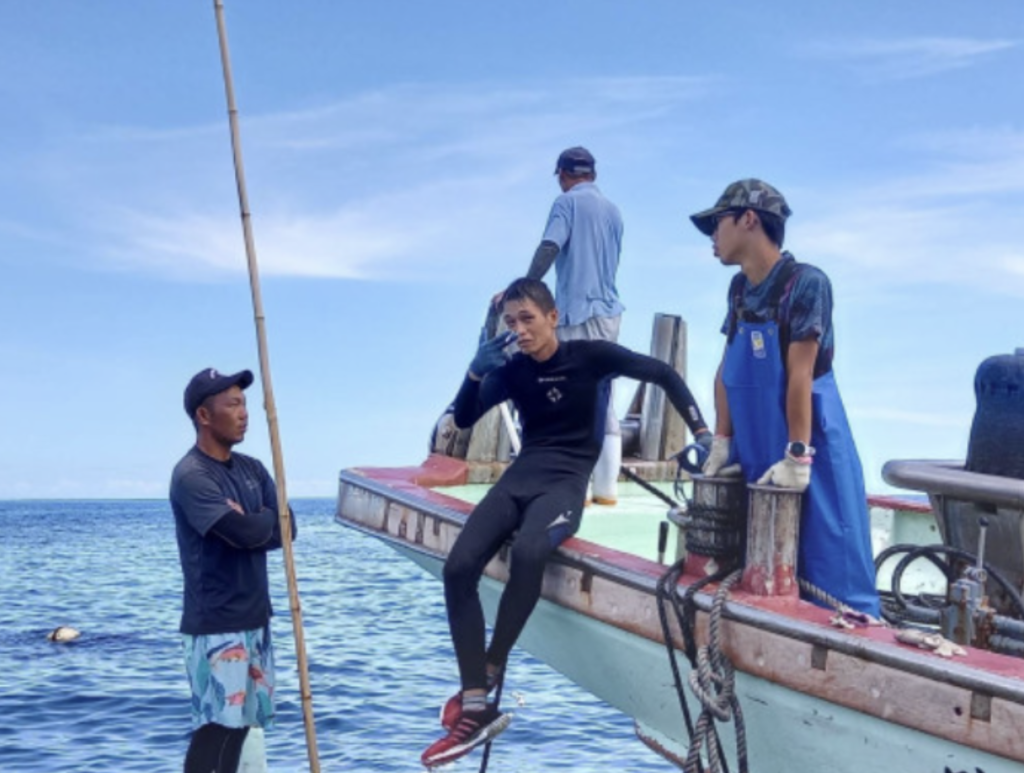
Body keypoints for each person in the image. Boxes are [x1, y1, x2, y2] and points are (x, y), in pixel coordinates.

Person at [421, 278, 711, 768]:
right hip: (521, 477)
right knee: (458, 568)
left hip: (566, 482)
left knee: (531, 551)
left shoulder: (590, 357)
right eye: (511, 322)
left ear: (553, 318)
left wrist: (702, 431)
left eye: (528, 319)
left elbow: (662, 373)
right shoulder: (513, 371)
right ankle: (475, 703)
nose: (519, 330)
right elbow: (465, 417)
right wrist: (473, 372)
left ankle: (490, 668)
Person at [689, 179, 880, 617]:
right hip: (757, 440)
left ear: (749, 219)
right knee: (762, 558)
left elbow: (800, 374)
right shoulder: (739, 289)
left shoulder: (805, 284)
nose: (712, 236)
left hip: (811, 441)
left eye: (717, 224)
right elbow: (727, 369)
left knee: (831, 556)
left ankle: (851, 628)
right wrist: (722, 440)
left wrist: (798, 454)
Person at [170, 367, 295, 772]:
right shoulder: (192, 475)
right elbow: (241, 533)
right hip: (216, 625)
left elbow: (287, 529)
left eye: (245, 404)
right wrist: (260, 520)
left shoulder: (253, 469)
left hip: (255, 618)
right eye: (234, 404)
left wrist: (257, 520)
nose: (244, 413)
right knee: (214, 730)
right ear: (204, 415)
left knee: (242, 726)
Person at [499, 146, 626, 505]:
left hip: (576, 313)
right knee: (603, 396)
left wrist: (521, 290)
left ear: (563, 175)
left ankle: (576, 490)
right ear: (593, 174)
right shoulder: (614, 211)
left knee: (571, 399)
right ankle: (607, 491)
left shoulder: (566, 203)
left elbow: (550, 247)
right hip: (609, 314)